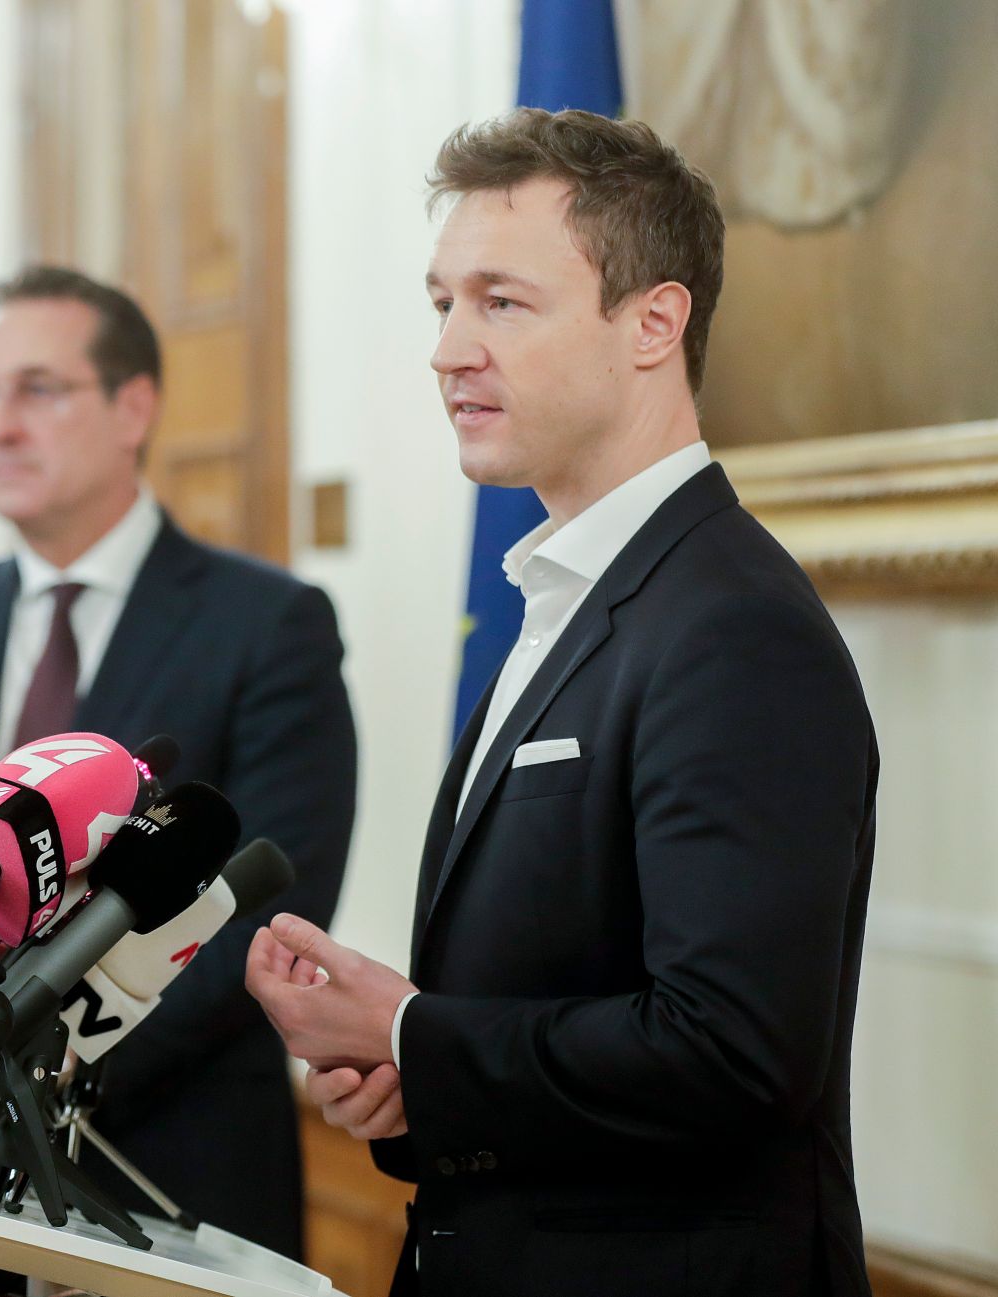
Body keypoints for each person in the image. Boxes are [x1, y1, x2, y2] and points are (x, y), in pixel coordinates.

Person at [246, 109, 877, 1297]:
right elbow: (561, 1000)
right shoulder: (565, 593)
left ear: (652, 322)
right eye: (441, 301)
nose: (445, 349)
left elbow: (732, 1053)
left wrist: (409, 1033)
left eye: (499, 301)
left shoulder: (730, 627)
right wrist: (410, 1084)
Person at [0, 265, 357, 1258]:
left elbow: (265, 909)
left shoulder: (266, 626)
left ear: (133, 408)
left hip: (170, 1169)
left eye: (36, 389)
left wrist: (33, 1062)